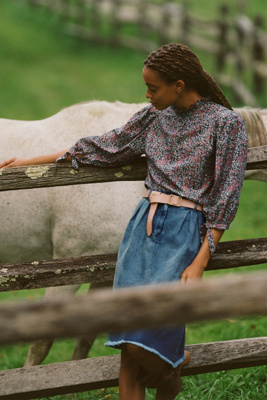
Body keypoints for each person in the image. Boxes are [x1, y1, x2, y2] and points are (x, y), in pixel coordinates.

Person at [0, 43, 247, 399]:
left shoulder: (226, 124)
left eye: (153, 88)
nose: (146, 95)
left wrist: (202, 257)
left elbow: (226, 194)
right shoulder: (153, 117)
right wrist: (24, 161)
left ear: (179, 84)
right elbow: (101, 146)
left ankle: (172, 362)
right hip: (141, 229)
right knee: (127, 347)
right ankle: (171, 361)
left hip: (183, 231)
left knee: (148, 342)